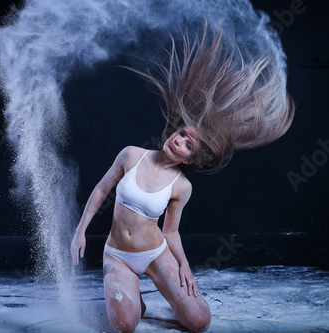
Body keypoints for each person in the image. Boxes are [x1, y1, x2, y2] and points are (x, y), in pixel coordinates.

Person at [71, 20, 294, 333]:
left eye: (188, 144)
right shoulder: (132, 155)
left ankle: (158, 293)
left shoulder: (182, 186)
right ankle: (133, 298)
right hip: (118, 255)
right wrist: (80, 231)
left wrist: (185, 267)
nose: (178, 140)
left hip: (156, 252)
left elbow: (171, 232)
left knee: (199, 321)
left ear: (192, 158)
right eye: (181, 134)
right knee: (123, 326)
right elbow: (101, 189)